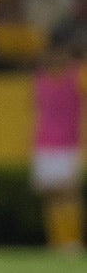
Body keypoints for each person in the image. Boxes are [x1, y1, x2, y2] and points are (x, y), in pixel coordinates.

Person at [30, 25, 86, 253]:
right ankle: (57, 244)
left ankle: (72, 242)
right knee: (52, 198)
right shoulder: (41, 79)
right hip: (45, 143)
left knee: (69, 195)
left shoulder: (78, 77)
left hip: (67, 144)